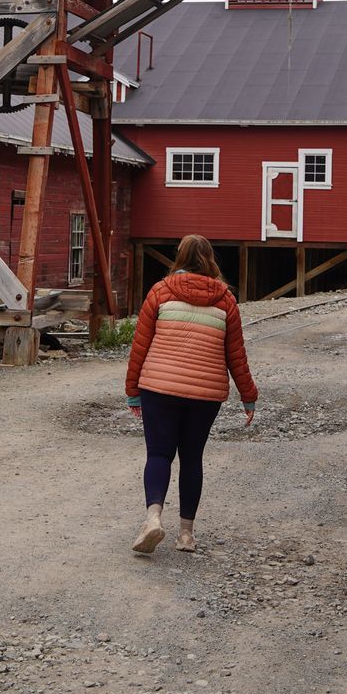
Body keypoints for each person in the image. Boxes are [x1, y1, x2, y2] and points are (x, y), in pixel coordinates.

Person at [124, 233, 257, 555]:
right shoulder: (225, 299)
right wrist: (248, 396)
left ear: (179, 256)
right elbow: (235, 354)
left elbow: (140, 346)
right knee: (192, 458)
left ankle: (153, 518)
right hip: (205, 392)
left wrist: (132, 391)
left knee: (159, 455)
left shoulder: (160, 291)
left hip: (159, 386)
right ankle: (186, 535)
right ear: (210, 259)